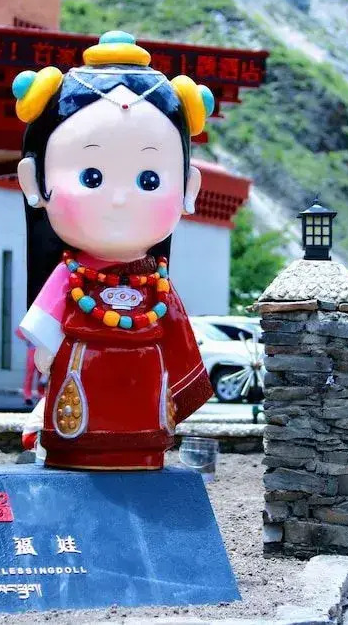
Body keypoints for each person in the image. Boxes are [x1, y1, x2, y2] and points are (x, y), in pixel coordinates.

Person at [15, 31, 214, 470]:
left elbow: (179, 339)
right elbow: (45, 329)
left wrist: (182, 386)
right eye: (92, 177)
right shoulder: (71, 276)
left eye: (148, 180)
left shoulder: (156, 284)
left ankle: (142, 453)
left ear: (189, 189)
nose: (120, 199)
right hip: (79, 382)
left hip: (145, 390)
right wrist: (46, 353)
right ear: (34, 182)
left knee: (142, 435)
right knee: (78, 438)